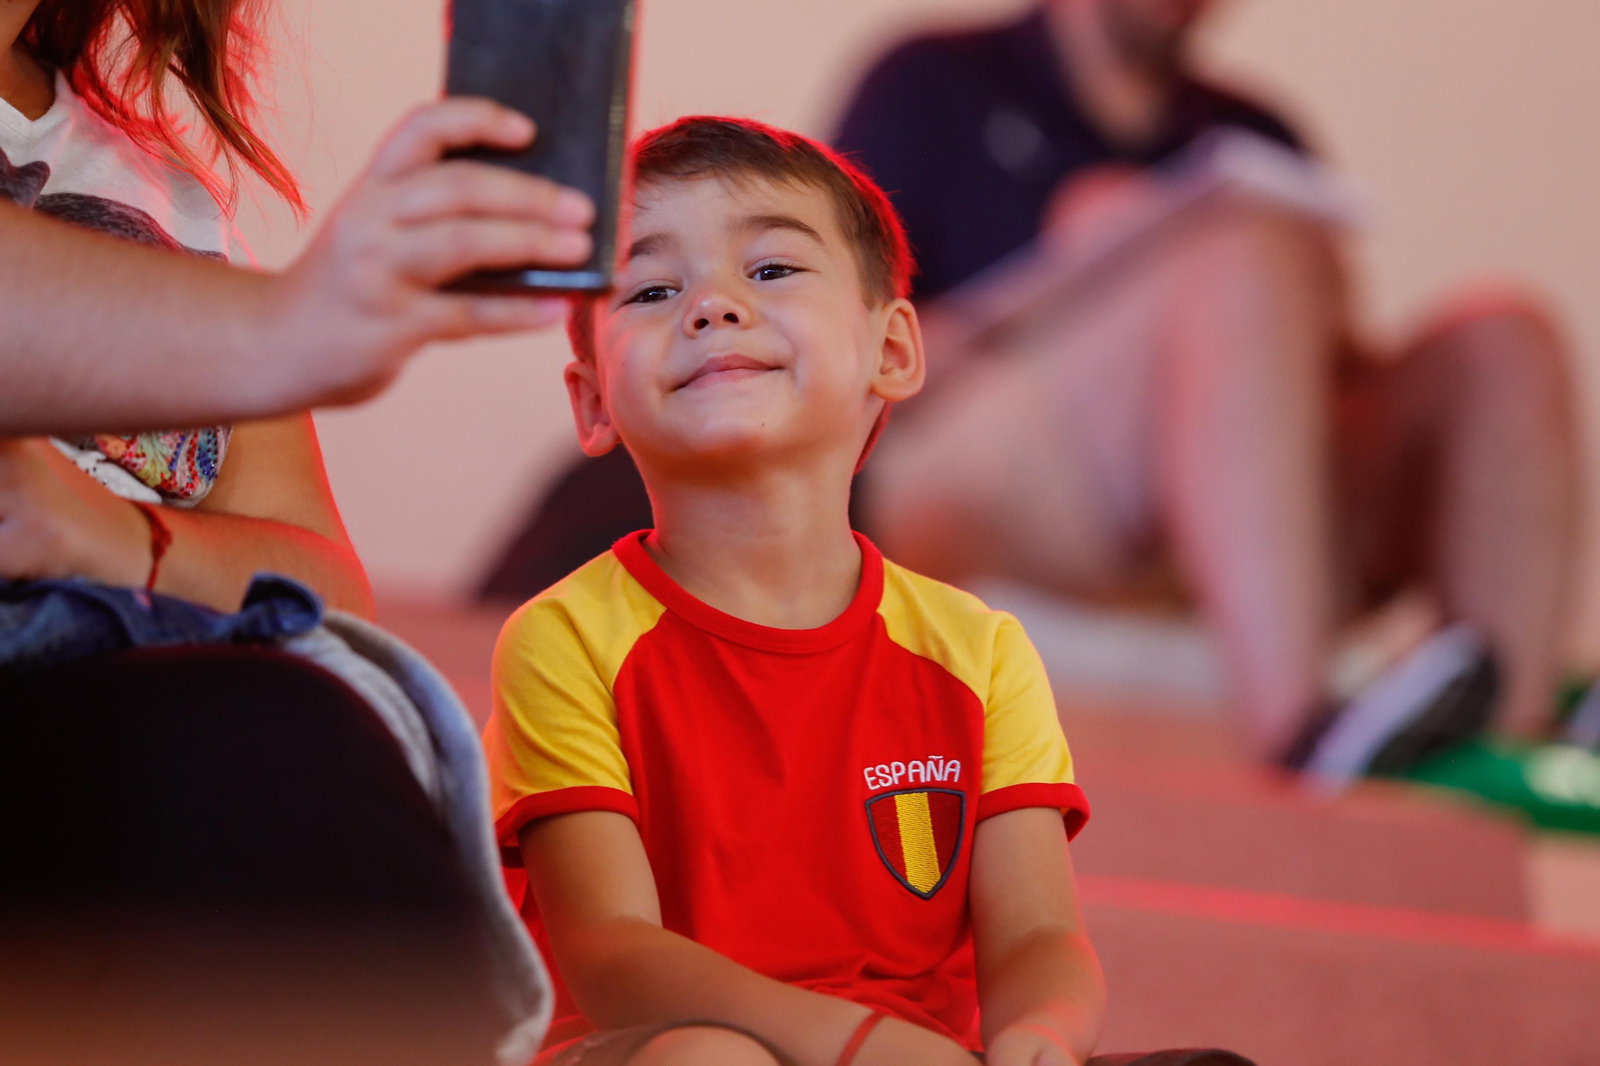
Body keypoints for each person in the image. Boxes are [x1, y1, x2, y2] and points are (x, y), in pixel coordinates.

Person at [484, 115, 1254, 1066]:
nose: (713, 306)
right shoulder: (563, 639)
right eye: (651, 289)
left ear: (891, 352)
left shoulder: (978, 652)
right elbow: (614, 956)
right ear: (595, 398)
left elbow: (1039, 938)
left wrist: (1042, 1035)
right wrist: (856, 1046)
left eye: (771, 269)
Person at [0, 2, 590, 1061]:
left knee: (290, 736)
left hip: (165, 668)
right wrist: (286, 323)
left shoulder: (167, 197)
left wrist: (99, 535)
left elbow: (322, 582)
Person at [825, 0, 1581, 778]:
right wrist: (1072, 273)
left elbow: (1321, 377)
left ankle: (1516, 750)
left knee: (1505, 337)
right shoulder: (930, 82)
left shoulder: (1254, 134)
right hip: (974, 456)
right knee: (1237, 259)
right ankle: (1306, 737)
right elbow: (834, 348)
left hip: (1228, 485)